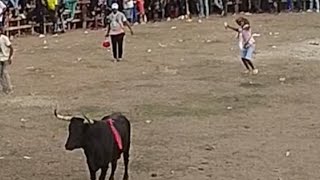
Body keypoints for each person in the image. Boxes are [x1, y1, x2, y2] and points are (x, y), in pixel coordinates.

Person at [0, 27, 13, 94]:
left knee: (5, 73)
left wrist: (10, 57)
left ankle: (9, 88)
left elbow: (11, 48)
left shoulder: (4, 38)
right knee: (0, 74)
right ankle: (4, 88)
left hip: (5, 58)